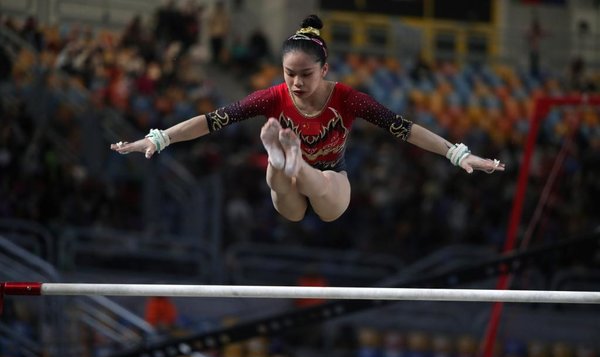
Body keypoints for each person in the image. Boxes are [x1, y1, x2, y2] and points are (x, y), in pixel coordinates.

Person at [111, 15, 504, 223]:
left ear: (325, 68)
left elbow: (405, 129)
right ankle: (284, 160)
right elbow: (210, 121)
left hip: (331, 178)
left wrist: (456, 153)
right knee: (283, 188)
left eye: (306, 74)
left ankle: (290, 160)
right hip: (288, 189)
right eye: (289, 74)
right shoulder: (271, 97)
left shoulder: (347, 98)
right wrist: (159, 138)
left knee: (324, 191)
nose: (296, 83)